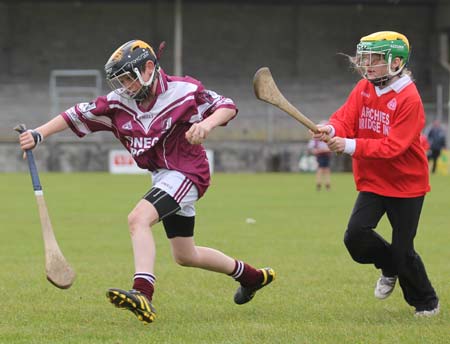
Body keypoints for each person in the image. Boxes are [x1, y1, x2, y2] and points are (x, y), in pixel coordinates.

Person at [18, 39, 275, 324]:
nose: (125, 86)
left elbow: (226, 106)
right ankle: (252, 277)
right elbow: (75, 114)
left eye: (129, 78)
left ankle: (143, 293)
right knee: (185, 255)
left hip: (188, 171)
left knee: (138, 218)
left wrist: (206, 124)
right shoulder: (119, 103)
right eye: (121, 80)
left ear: (149, 68)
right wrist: (38, 134)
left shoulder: (183, 90)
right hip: (163, 176)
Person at [312, 31, 439, 317]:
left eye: (375, 60)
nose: (367, 65)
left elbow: (393, 147)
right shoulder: (363, 88)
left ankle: (426, 302)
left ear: (396, 62)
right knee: (355, 238)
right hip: (373, 181)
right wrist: (330, 129)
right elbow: (345, 118)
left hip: (407, 183)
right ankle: (388, 266)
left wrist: (347, 145)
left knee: (403, 250)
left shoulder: (409, 99)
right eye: (365, 59)